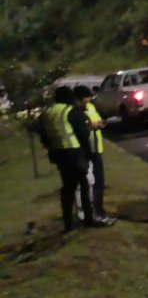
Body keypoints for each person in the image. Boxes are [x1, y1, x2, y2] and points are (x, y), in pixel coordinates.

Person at [39, 86, 113, 230]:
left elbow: (44, 137)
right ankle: (89, 218)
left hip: (59, 154)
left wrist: (52, 149)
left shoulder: (46, 113)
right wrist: (87, 154)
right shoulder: (71, 111)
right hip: (75, 152)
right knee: (84, 185)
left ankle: (68, 224)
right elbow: (83, 134)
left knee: (67, 189)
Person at [75, 85, 113, 222]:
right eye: (86, 99)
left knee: (99, 182)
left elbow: (94, 120)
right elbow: (80, 128)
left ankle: (99, 210)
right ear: (78, 99)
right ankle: (90, 212)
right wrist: (92, 126)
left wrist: (100, 124)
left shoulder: (90, 107)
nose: (89, 101)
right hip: (86, 151)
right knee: (89, 183)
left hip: (96, 149)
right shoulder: (75, 112)